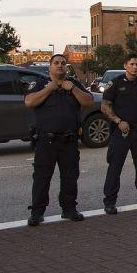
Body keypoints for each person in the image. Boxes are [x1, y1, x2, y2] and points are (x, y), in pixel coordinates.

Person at [24, 54, 94, 226]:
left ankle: (69, 209)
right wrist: (50, 88)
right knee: (42, 177)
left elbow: (88, 101)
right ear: (50, 67)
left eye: (63, 63)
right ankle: (37, 212)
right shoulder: (41, 84)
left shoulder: (74, 84)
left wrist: (73, 89)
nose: (60, 66)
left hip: (68, 140)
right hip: (46, 141)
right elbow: (29, 102)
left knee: (70, 177)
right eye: (56, 63)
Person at [100, 54, 137, 215]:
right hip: (121, 133)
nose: (135, 67)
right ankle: (110, 202)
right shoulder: (116, 83)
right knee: (115, 167)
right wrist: (118, 121)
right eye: (132, 64)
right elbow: (105, 107)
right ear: (125, 65)